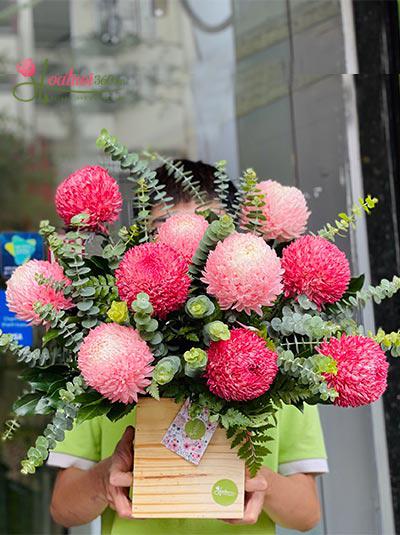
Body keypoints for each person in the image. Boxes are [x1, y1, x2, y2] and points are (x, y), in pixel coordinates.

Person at [48, 160, 328, 534]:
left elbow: (307, 513)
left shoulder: (271, 357)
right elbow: (63, 508)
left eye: (208, 237)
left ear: (237, 244)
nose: (191, 257)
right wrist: (105, 480)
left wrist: (259, 480)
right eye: (165, 236)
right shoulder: (108, 351)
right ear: (141, 246)